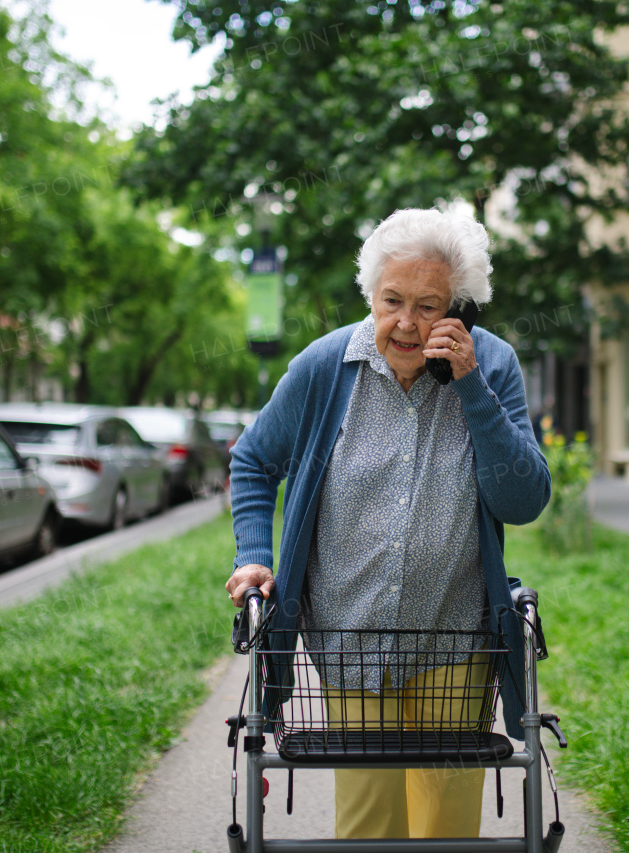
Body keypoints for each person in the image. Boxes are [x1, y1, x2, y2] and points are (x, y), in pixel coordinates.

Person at [225, 208, 551, 840]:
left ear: (460, 308)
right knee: (369, 825)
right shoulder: (323, 367)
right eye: (392, 300)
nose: (406, 323)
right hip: (352, 638)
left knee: (447, 829)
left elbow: (524, 500)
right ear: (370, 297)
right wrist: (253, 555)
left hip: (458, 636)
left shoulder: (492, 363)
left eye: (429, 306)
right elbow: (254, 460)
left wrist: (471, 387)